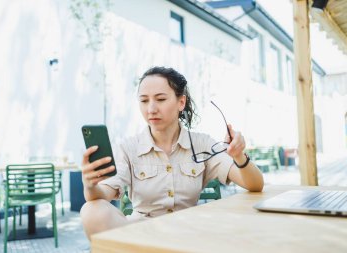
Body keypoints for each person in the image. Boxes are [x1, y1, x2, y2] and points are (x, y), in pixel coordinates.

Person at [80, 66, 264, 240]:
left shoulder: (202, 143)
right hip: (141, 236)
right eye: (144, 101)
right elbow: (103, 194)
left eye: (160, 99)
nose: (151, 109)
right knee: (91, 210)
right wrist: (90, 186)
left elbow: (255, 185)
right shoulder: (128, 148)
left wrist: (239, 155)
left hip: (188, 235)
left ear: (181, 102)